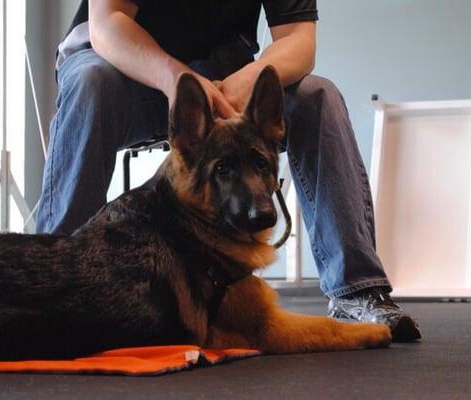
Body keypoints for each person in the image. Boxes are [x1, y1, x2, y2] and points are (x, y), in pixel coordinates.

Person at [36, 0, 421, 341]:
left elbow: (300, 40)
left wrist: (247, 78)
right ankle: (53, 282)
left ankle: (356, 291)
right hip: (122, 66)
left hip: (222, 74)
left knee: (316, 97)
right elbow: (108, 23)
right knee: (90, 83)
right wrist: (177, 80)